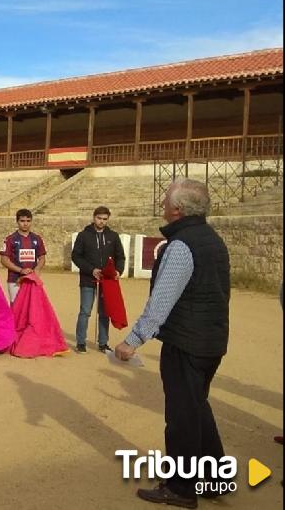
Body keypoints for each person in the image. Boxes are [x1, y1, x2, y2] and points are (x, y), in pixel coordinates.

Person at [114, 178, 231, 507]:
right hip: (211, 339)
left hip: (186, 341)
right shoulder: (212, 239)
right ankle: (214, 477)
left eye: (166, 200)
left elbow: (162, 300)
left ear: (177, 209)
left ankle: (181, 487)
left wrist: (132, 340)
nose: (163, 204)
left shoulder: (182, 246)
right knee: (197, 408)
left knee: (182, 415)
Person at [71, 206, 126, 353]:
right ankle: (80, 342)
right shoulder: (83, 235)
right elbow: (76, 256)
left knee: (104, 312)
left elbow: (120, 256)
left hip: (107, 281)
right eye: (99, 218)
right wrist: (91, 270)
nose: (101, 221)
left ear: (108, 220)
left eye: (104, 219)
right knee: (85, 311)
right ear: (93, 217)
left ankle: (103, 343)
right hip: (88, 279)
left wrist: (118, 270)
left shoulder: (113, 236)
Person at [0, 209, 46, 304]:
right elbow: (4, 260)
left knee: (32, 307)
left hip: (32, 279)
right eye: (22, 221)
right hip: (15, 279)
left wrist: (37, 269)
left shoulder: (37, 238)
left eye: (28, 221)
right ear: (17, 222)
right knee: (16, 306)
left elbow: (42, 257)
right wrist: (20, 270)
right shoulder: (10, 239)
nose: (25, 224)